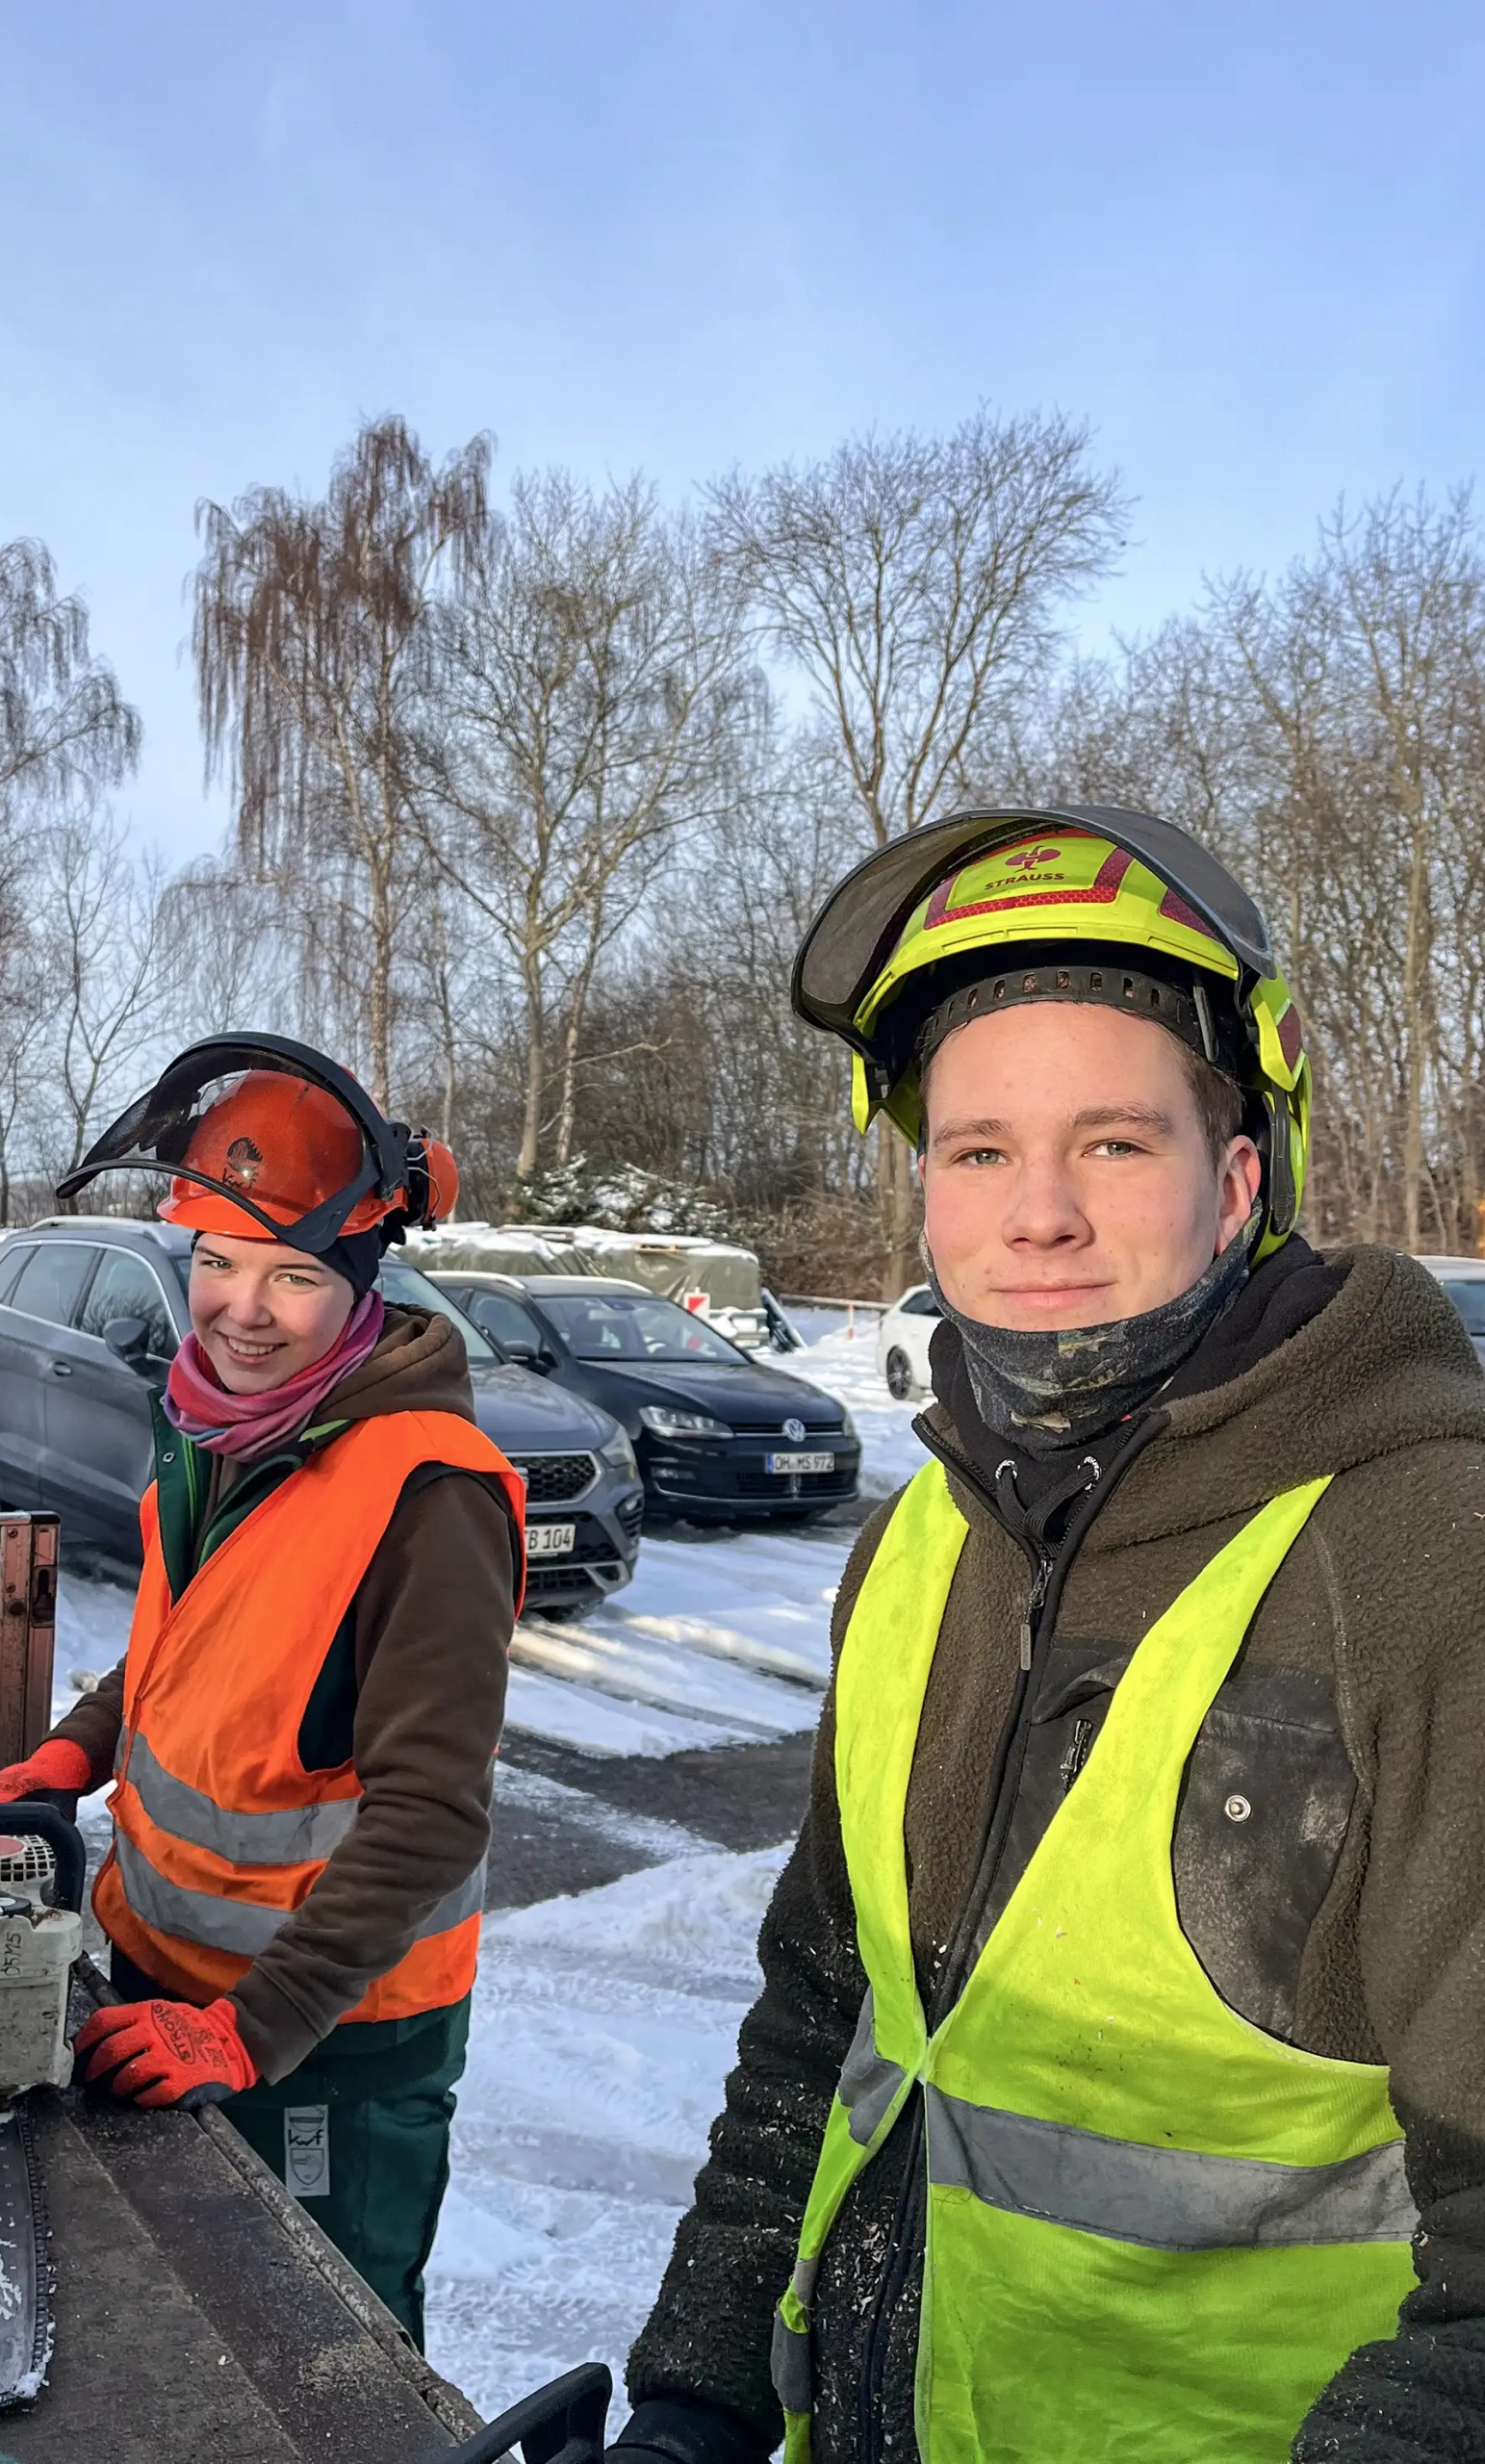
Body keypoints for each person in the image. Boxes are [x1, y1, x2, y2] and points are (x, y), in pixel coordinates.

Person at [610, 809, 1485, 2463]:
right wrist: (699, 2387)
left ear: (1235, 1185)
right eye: (977, 1149)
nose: (1039, 1217)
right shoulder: (920, 1537)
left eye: (1111, 1144)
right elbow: (824, 2014)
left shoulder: (1424, 1559)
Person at [0, 1036, 524, 2347]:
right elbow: (186, 1646)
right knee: (188, 2325)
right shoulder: (215, 1431)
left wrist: (259, 2028)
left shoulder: (427, 1492)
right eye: (214, 1264)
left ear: (366, 1284)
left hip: (320, 2030)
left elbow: (433, 1813)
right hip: (160, 1977)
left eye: (292, 1276)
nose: (240, 1309)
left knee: (325, 2357)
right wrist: (73, 1751)